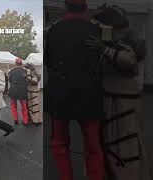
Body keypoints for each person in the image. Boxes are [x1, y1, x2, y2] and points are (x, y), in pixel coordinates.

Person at [87, 5, 153, 180]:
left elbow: (128, 60)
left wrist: (104, 48)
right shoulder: (119, 42)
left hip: (122, 102)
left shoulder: (121, 43)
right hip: (118, 99)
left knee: (124, 145)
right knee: (120, 144)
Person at [45, 0, 104, 179]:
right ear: (85, 8)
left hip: (61, 93)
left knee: (60, 143)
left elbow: (49, 61)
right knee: (93, 146)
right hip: (89, 93)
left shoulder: (55, 29)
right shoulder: (95, 30)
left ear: (65, 7)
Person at [8, 58, 29, 126]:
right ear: (21, 63)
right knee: (24, 107)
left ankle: (16, 119)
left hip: (13, 90)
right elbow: (26, 81)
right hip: (22, 90)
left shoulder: (11, 71)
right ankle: (25, 121)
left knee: (13, 106)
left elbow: (10, 80)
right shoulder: (25, 71)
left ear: (15, 63)